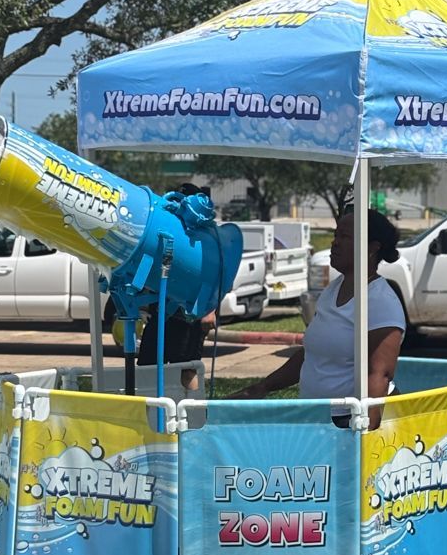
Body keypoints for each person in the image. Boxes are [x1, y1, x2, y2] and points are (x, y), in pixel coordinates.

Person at [233, 208, 405, 429]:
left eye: (345, 237)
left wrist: (364, 437)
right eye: (335, 235)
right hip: (317, 420)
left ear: (372, 247)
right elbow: (310, 355)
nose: (335, 243)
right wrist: (262, 387)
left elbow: (379, 375)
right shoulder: (333, 290)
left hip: (350, 425)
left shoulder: (381, 302)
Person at [137, 183, 215, 390]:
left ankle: (192, 412)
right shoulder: (168, 228)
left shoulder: (204, 238)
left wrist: (211, 311)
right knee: (147, 367)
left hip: (187, 317)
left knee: (187, 369)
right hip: (161, 313)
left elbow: (214, 277)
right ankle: (150, 410)